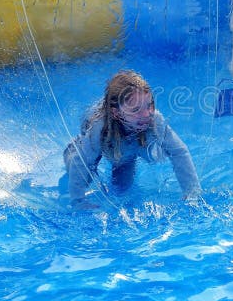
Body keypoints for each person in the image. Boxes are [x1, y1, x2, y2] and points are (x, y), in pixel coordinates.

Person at [64, 70, 201, 209]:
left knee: (122, 190)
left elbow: (179, 152)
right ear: (116, 113)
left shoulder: (155, 121)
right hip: (98, 141)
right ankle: (73, 148)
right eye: (136, 110)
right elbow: (80, 163)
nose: (147, 114)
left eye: (149, 106)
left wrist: (192, 192)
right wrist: (78, 201)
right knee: (82, 172)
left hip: (126, 150)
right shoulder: (99, 127)